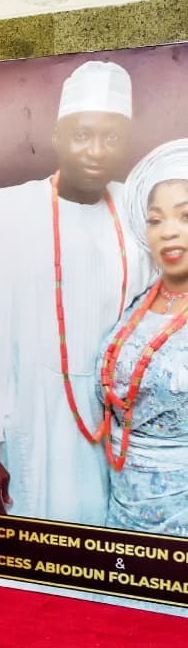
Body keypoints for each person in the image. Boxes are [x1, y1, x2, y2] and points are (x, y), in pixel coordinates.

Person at [0, 60, 153, 561]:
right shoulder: (4, 213)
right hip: (13, 439)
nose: (96, 152)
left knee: (92, 601)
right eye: (82, 134)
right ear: (56, 135)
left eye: (112, 138)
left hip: (105, 446)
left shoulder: (141, 221)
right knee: (1, 601)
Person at [97, 139, 188, 537]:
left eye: (186, 216)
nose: (169, 232)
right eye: (156, 220)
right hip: (120, 506)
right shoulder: (135, 302)